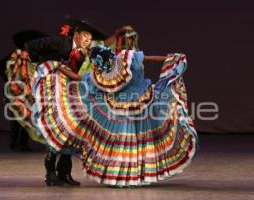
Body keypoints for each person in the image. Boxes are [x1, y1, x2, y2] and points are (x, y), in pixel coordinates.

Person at [32, 44, 198, 187]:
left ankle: (125, 176)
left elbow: (77, 77)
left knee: (125, 142)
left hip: (123, 110)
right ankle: (132, 175)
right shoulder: (126, 59)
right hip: (138, 105)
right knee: (136, 141)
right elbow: (148, 58)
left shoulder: (101, 75)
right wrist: (170, 59)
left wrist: (57, 67)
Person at [24, 17, 110, 186]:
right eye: (85, 36)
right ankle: (50, 173)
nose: (87, 40)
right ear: (76, 35)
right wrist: (43, 63)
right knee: (56, 128)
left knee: (71, 127)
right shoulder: (60, 43)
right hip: (50, 87)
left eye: (90, 38)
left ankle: (65, 172)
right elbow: (31, 46)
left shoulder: (80, 54)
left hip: (65, 89)